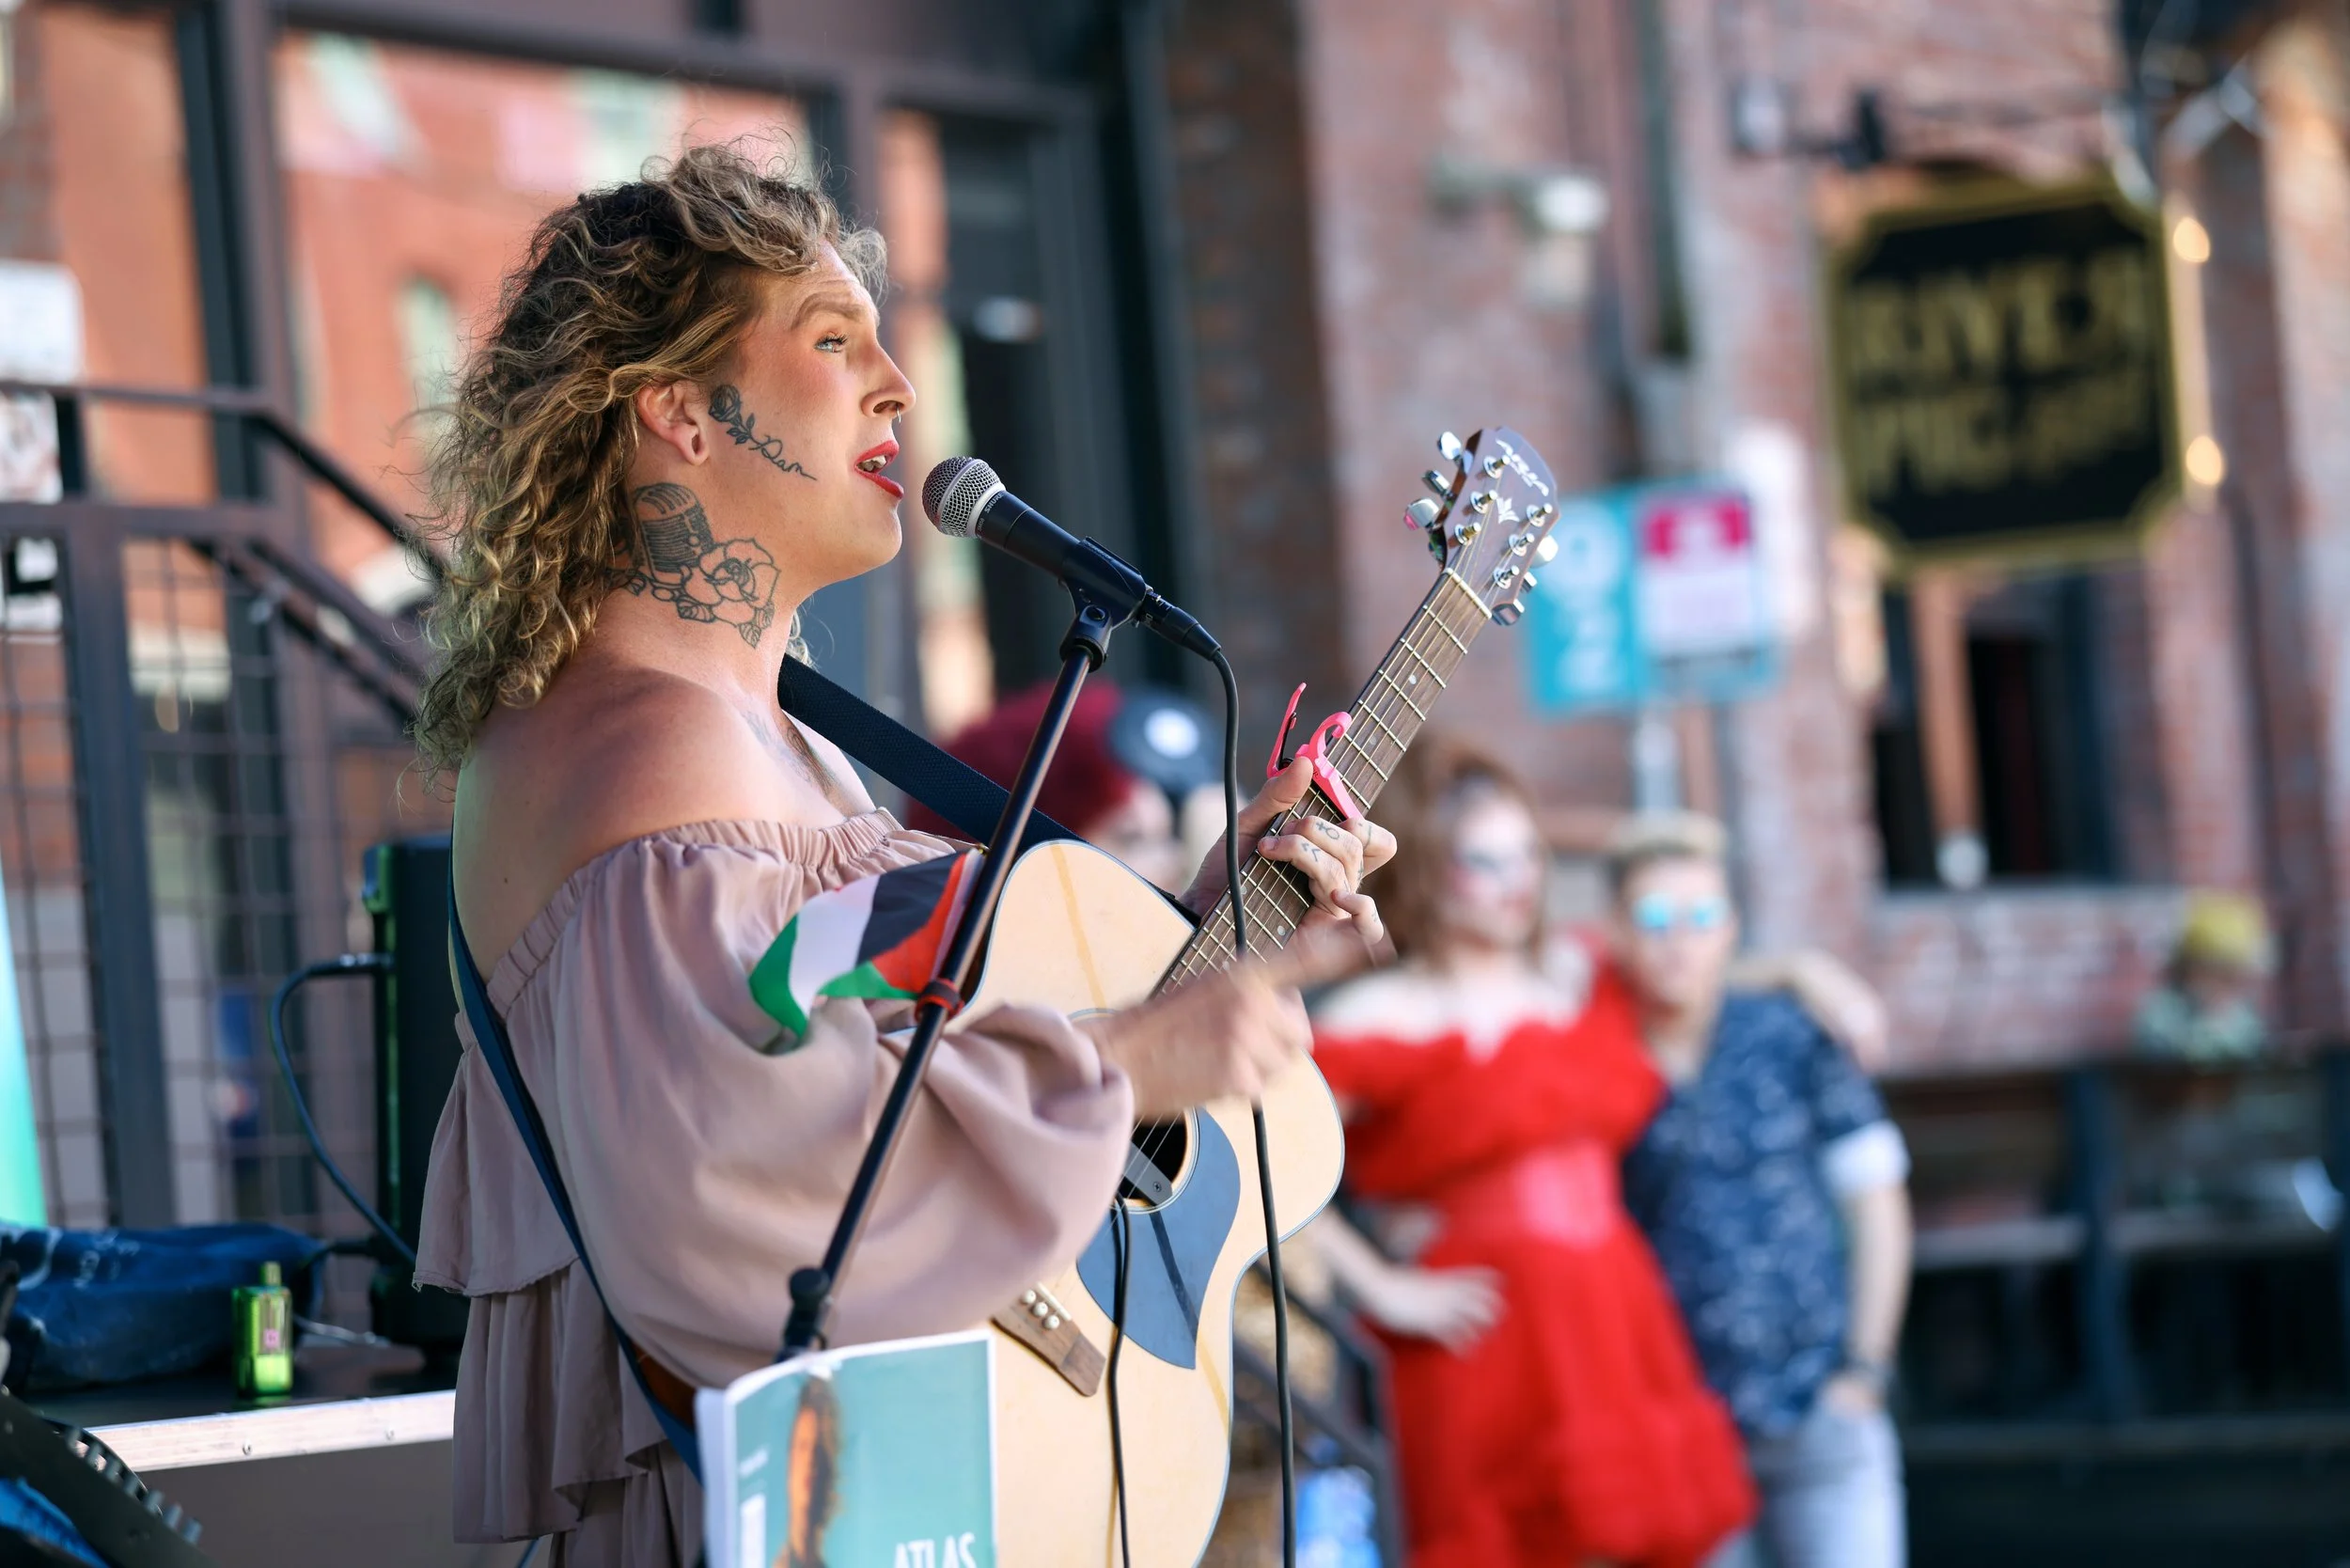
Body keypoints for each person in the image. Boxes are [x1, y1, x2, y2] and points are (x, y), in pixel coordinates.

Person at [409, 145, 1393, 1566]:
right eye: (831, 339)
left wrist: (1207, 929)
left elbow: (862, 1039)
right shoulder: (647, 751)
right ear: (679, 410)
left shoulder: (763, 735)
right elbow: (750, 1181)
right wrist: (1135, 1064)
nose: (898, 383)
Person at [1306, 740, 1756, 1568]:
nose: (1518, 882)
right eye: (1487, 860)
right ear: (1433, 868)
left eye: (1529, 856)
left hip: (1615, 1316)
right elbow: (1263, 1162)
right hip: (1486, 1336)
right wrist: (1380, 1285)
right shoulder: (1379, 1012)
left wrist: (1807, 977)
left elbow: (1697, 966)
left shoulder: (1580, 974)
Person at [1610, 814, 1915, 1568]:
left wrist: (1865, 1371)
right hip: (1677, 1426)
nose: (1679, 937)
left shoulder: (1788, 1034)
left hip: (1819, 1406)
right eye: (1654, 918)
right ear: (1618, 930)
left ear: (1732, 928)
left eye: (1702, 917)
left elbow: (1877, 1201)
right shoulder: (1595, 1051)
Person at [2134, 890, 2273, 1062]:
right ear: (2192, 969)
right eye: (2222, 975)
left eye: (2234, 977)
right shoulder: (2162, 1015)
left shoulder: (2243, 1016)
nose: (2229, 986)